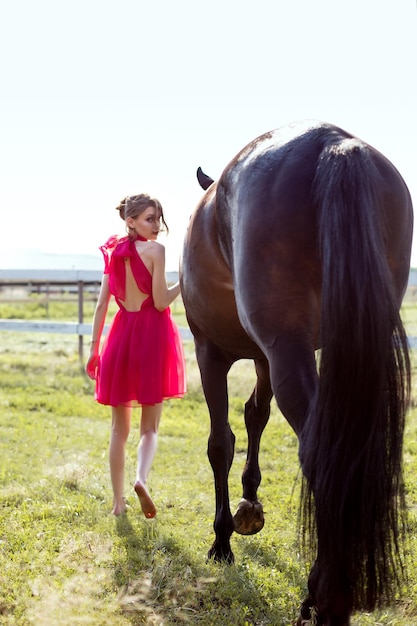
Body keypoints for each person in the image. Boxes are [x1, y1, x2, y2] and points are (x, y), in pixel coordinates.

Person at [85, 194, 186, 518]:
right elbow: (159, 302)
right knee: (149, 429)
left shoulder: (113, 251)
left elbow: (102, 305)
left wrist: (93, 349)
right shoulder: (156, 251)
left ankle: (118, 504)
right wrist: (184, 281)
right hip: (151, 339)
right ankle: (140, 479)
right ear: (131, 221)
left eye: (157, 218)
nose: (156, 226)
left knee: (118, 430)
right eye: (149, 219)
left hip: (118, 339)